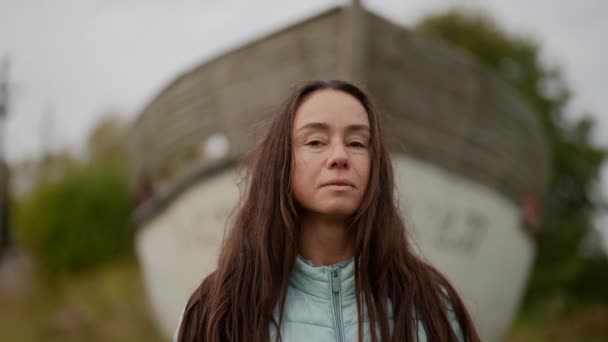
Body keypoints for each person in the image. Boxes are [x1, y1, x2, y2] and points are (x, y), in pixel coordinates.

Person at [176, 80, 480, 341]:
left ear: (376, 167)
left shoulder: (431, 303)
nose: (340, 156)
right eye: (316, 141)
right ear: (282, 163)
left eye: (357, 143)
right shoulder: (220, 308)